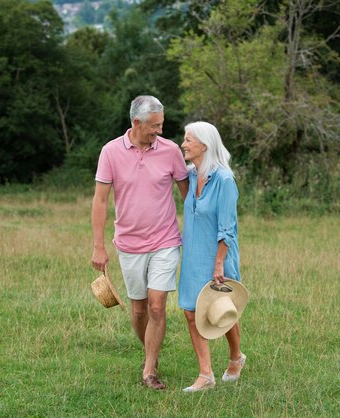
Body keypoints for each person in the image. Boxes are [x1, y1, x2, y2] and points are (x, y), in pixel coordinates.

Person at [91, 95, 189, 390]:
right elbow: (100, 200)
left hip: (165, 240)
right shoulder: (110, 152)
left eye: (162, 124)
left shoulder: (171, 151)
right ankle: (151, 354)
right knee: (139, 309)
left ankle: (149, 370)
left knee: (158, 306)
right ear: (137, 122)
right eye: (155, 125)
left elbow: (189, 197)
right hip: (129, 244)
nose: (160, 130)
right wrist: (98, 245)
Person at [178, 121, 245, 392]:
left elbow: (227, 229)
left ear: (204, 145)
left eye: (188, 140)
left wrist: (219, 263)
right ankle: (205, 375)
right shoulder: (192, 175)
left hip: (218, 255)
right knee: (190, 311)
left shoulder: (225, 180)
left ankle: (235, 357)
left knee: (221, 310)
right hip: (193, 255)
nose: (183, 144)